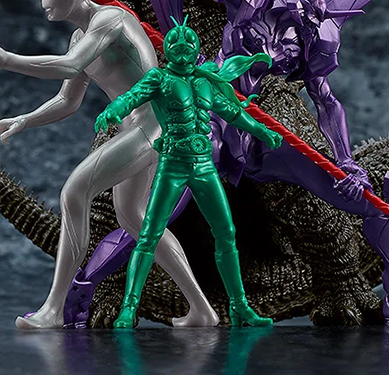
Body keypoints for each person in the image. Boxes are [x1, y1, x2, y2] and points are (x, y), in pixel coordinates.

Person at [0, 0, 218, 328]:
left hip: (153, 124)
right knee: (133, 217)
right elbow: (68, 100)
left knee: (74, 192)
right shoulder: (81, 36)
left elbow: (68, 66)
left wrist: (7, 60)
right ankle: (202, 310)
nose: (44, 2)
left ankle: (53, 309)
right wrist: (23, 120)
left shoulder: (109, 20)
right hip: (136, 128)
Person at [95, 19, 282, 328]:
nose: (182, 47)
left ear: (196, 49)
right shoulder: (159, 78)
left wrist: (262, 130)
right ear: (167, 49)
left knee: (226, 233)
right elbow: (132, 96)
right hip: (173, 164)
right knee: (149, 234)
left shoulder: (205, 81)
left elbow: (233, 112)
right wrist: (114, 110)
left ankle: (239, 307)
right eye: (175, 43)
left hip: (204, 165)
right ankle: (128, 308)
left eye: (188, 43)